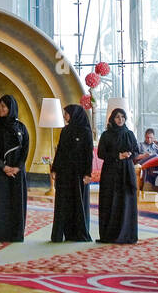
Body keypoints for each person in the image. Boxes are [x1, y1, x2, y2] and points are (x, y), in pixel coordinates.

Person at [0, 94, 29, 242]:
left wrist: (18, 168)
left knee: (16, 202)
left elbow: (25, 149)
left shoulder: (21, 127)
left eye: (3, 106)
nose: (0, 109)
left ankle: (15, 234)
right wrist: (4, 167)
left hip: (17, 172)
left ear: (11, 108)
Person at [50, 104, 93, 242]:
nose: (64, 116)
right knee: (63, 202)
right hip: (64, 173)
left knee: (78, 202)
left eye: (67, 113)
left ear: (74, 114)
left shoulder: (86, 132)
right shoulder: (65, 130)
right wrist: (54, 169)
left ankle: (79, 233)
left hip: (79, 174)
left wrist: (88, 173)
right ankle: (62, 233)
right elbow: (60, 151)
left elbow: (89, 154)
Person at [97, 108, 140, 244]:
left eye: (122, 117)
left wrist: (129, 155)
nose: (120, 119)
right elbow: (101, 153)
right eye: (117, 117)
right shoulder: (106, 135)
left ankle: (126, 234)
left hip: (126, 171)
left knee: (126, 201)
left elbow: (136, 151)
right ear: (112, 119)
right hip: (110, 172)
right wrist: (117, 156)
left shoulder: (129, 134)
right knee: (110, 201)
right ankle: (109, 234)